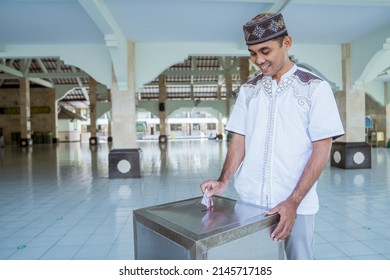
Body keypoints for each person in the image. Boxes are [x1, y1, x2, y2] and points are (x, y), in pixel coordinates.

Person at [200, 13, 344, 260]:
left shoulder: (315, 88)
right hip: (250, 204)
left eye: (265, 51)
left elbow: (322, 149)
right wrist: (224, 180)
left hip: (297, 204)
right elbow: (239, 139)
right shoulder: (248, 91)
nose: (259, 59)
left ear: (286, 43)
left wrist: (293, 202)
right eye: (253, 53)